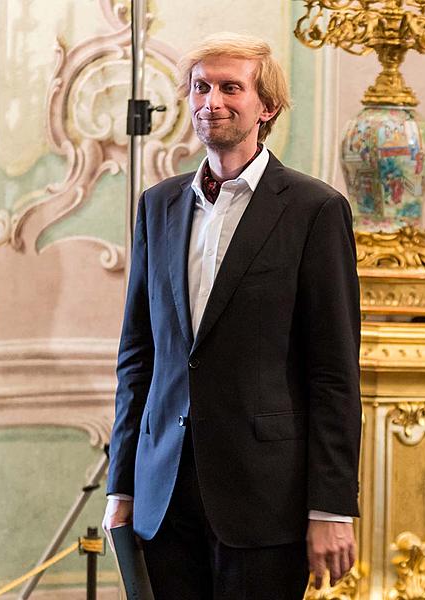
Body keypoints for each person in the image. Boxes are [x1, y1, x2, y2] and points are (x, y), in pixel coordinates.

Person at [102, 32, 361, 599]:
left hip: (265, 498)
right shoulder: (158, 205)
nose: (211, 101)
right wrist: (121, 486)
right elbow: (137, 357)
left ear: (265, 107)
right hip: (163, 493)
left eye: (230, 88)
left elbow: (334, 373)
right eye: (201, 86)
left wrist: (332, 506)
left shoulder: (315, 210)